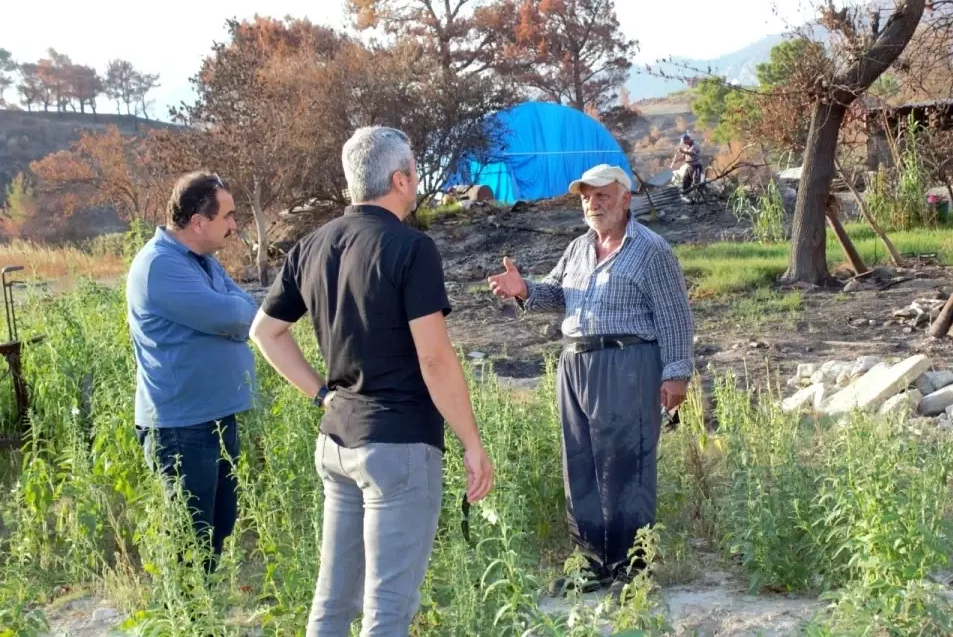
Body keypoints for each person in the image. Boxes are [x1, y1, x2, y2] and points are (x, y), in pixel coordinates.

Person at [250, 126, 494, 636]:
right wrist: (472, 441)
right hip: (398, 446)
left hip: (337, 441)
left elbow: (266, 332)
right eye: (414, 170)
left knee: (333, 603)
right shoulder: (411, 248)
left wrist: (322, 393)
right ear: (400, 179)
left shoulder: (312, 246)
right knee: (387, 609)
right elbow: (434, 359)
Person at [487, 163, 694, 593]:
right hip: (575, 364)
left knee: (627, 464)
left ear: (625, 197)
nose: (592, 203)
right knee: (579, 463)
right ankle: (591, 562)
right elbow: (557, 294)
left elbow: (675, 315)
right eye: (586, 196)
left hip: (629, 362)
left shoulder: (651, 250)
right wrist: (524, 288)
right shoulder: (579, 248)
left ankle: (632, 567)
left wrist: (676, 373)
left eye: (601, 195)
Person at [127, 171, 258, 573]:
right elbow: (233, 314)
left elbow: (247, 309)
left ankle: (202, 619)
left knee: (218, 528)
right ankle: (186, 621)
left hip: (215, 420)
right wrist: (235, 326)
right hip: (183, 428)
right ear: (199, 222)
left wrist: (235, 325)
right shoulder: (160, 266)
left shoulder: (204, 262)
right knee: (190, 540)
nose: (235, 225)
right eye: (229, 217)